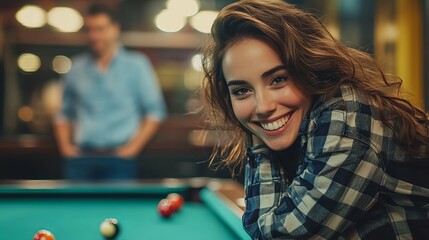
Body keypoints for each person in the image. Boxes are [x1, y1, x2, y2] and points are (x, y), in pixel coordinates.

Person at [201, 0, 429, 239]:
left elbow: (276, 236)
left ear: (310, 69)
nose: (264, 106)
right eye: (241, 91)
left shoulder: (348, 121)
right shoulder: (306, 122)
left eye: (278, 79)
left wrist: (258, 140)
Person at [54, 5, 166, 180]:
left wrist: (133, 148)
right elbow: (63, 114)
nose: (94, 36)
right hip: (80, 160)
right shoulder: (76, 67)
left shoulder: (137, 65)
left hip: (120, 160)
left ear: (115, 29)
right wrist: (65, 147)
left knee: (119, 209)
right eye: (89, 30)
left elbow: (155, 112)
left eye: (100, 29)